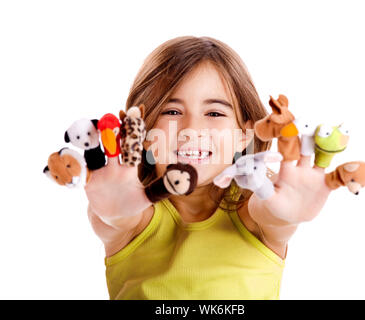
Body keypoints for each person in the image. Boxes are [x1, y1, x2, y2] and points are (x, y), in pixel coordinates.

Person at [84, 36, 331, 300]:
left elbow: (274, 217)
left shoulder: (253, 214)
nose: (192, 129)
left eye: (214, 113)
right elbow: (116, 217)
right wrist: (108, 213)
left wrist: (287, 214)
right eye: (172, 112)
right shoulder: (132, 219)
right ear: (142, 128)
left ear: (244, 134)